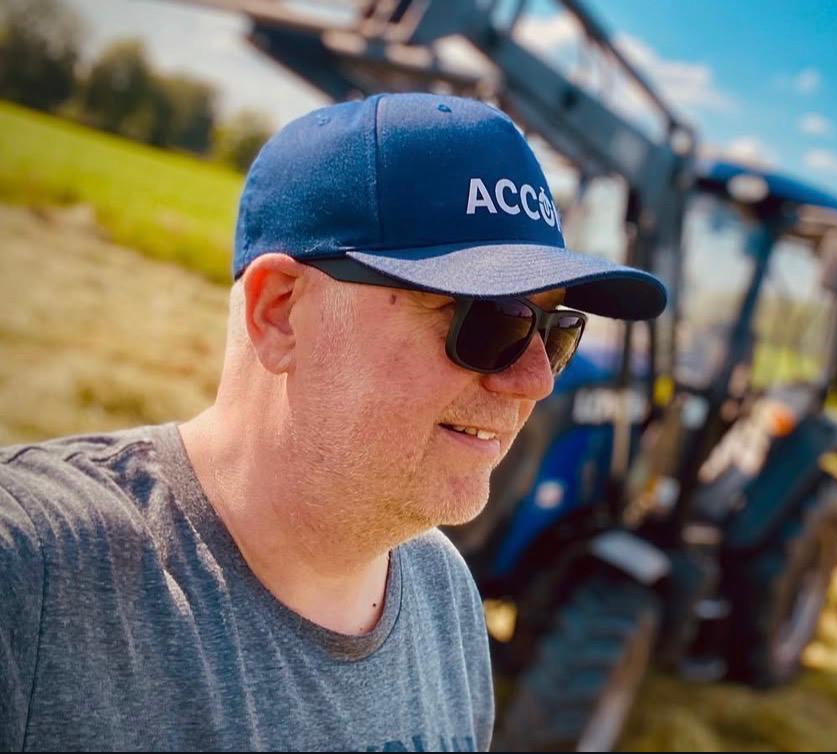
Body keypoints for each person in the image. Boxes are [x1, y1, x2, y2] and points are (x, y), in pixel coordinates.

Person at [0, 92, 667, 752]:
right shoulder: (35, 579)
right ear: (281, 312)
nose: (536, 380)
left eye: (555, 330)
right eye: (488, 319)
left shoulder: (445, 595)